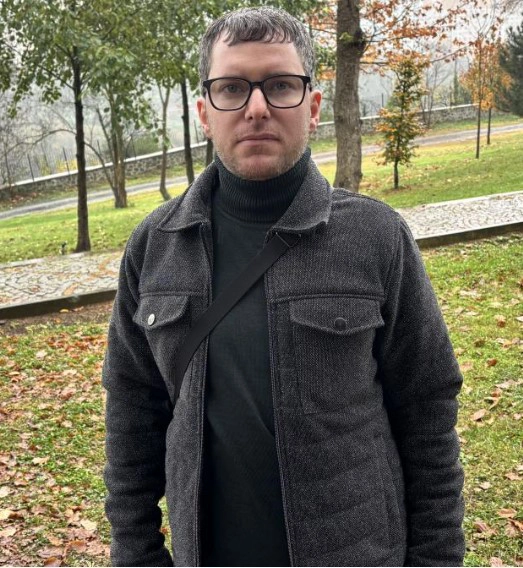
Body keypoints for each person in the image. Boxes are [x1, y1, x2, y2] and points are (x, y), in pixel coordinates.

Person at [103, 6, 465, 567]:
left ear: (313, 106)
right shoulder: (155, 247)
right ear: (204, 112)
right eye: (231, 88)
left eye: (279, 85)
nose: (256, 108)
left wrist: (437, 560)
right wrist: (137, 555)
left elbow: (427, 408)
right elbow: (132, 413)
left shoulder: (376, 236)